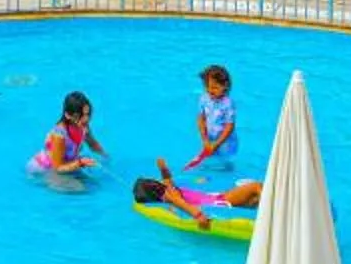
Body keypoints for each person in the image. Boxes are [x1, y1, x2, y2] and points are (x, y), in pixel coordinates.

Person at [131, 157, 262, 227]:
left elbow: (167, 179)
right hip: (220, 201)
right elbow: (183, 205)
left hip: (215, 198)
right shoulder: (171, 196)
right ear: (153, 185)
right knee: (255, 187)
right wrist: (199, 216)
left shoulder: (166, 190)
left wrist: (163, 168)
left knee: (255, 200)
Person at [26, 91, 107, 181]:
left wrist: (106, 156)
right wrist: (80, 163)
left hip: (67, 164)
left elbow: (92, 144)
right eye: (79, 116)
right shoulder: (59, 136)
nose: (86, 119)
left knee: (93, 184)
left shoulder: (83, 125)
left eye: (87, 114)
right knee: (81, 191)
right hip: (44, 170)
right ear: (68, 115)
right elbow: (58, 168)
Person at [189, 65, 237, 170]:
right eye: (206, 86)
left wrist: (217, 143)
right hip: (210, 137)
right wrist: (205, 139)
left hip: (225, 141)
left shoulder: (228, 104)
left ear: (225, 86)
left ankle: (228, 170)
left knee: (225, 161)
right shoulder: (204, 98)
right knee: (208, 159)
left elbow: (230, 126)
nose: (210, 90)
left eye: (214, 87)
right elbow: (201, 118)